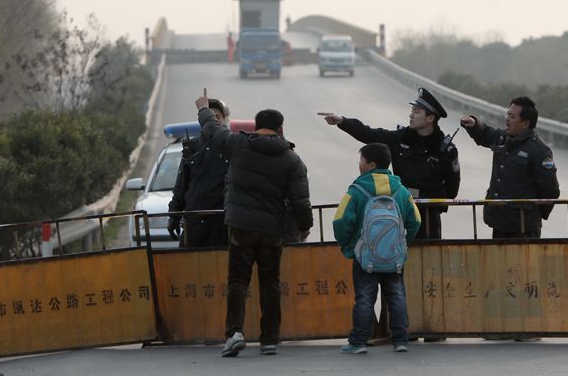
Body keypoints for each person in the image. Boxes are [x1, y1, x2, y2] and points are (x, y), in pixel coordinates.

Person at [195, 90, 313, 357]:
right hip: (272, 230)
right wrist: (304, 226)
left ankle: (234, 334)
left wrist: (203, 109)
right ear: (280, 129)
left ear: (256, 127)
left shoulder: (238, 144)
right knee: (270, 283)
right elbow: (301, 201)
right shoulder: (292, 159)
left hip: (240, 226)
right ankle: (269, 340)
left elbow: (213, 131)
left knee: (238, 281)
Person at [318, 87, 460, 239]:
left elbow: (452, 189)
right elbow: (369, 134)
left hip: (428, 217)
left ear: (430, 118)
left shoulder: (445, 150)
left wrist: (431, 199)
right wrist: (343, 121)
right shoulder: (400, 138)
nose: (411, 115)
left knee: (430, 253)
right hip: (398, 212)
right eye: (412, 110)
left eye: (417, 111)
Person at [333, 143, 421, 354]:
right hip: (394, 257)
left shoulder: (356, 191)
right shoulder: (401, 191)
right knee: (396, 296)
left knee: (365, 298)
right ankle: (400, 341)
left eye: (361, 160)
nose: (359, 164)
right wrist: (401, 244)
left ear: (371, 165)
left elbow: (340, 222)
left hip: (365, 257)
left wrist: (350, 246)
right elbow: (415, 221)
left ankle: (358, 342)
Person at [460, 96, 559, 238]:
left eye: (512, 117)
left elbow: (550, 190)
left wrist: (533, 213)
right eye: (507, 114)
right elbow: (486, 133)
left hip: (523, 228)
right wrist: (474, 124)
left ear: (525, 123)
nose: (507, 119)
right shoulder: (504, 138)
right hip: (499, 222)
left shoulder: (539, 151)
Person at [167, 98, 231, 247]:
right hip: (194, 222)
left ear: (223, 119)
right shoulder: (192, 147)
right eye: (211, 117)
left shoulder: (232, 145)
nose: (214, 121)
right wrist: (174, 216)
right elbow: (181, 185)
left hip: (222, 223)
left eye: (217, 117)